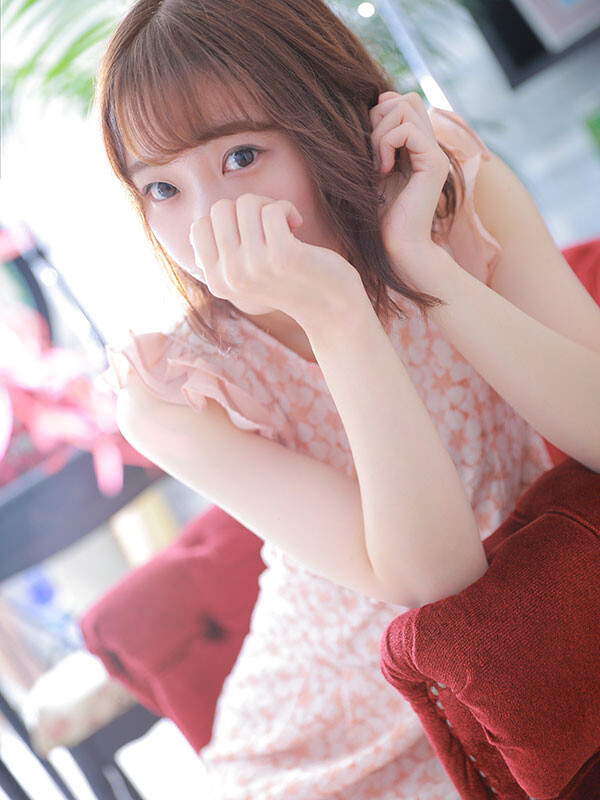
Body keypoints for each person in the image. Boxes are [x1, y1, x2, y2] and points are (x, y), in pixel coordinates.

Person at [95, 0, 600, 797]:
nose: (207, 222)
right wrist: (333, 314)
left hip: (541, 656)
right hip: (329, 743)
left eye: (240, 156)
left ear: (329, 118)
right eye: (161, 187)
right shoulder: (174, 395)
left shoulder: (454, 198)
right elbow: (434, 583)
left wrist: (422, 266)